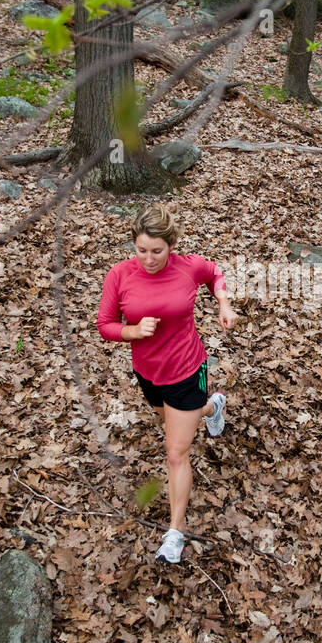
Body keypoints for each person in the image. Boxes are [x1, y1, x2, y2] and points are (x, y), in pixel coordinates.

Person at [96, 205, 239, 564]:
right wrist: (131, 331)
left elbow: (215, 274)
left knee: (176, 451)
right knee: (173, 418)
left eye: (157, 251)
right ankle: (213, 407)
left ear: (171, 245)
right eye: (141, 250)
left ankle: (174, 535)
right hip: (148, 373)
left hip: (188, 369)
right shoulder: (119, 275)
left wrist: (223, 303)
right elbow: (105, 324)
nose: (148, 258)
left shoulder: (188, 266)